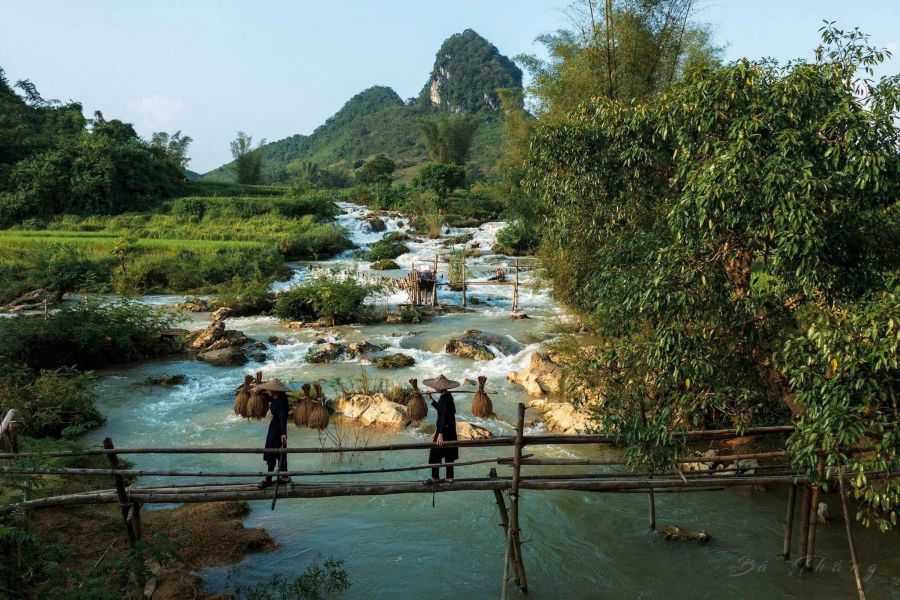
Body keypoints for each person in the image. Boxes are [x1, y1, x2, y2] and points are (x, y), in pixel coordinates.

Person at [422, 374, 459, 485]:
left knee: (435, 453)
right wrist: (431, 400)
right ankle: (449, 478)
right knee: (449, 453)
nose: (435, 388)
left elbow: (443, 416)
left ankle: (435, 478)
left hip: (444, 430)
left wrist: (441, 433)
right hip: (450, 430)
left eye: (436, 387)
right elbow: (441, 410)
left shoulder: (445, 398)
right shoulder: (447, 396)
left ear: (441, 388)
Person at [257, 378, 291, 489]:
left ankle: (269, 479)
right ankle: (283, 476)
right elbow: (266, 396)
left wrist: (283, 433)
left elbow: (283, 419)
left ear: (274, 391)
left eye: (269, 390)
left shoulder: (281, 403)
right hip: (273, 427)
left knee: (274, 452)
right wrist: (259, 390)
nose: (268, 391)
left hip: (278, 430)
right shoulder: (276, 398)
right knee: (278, 453)